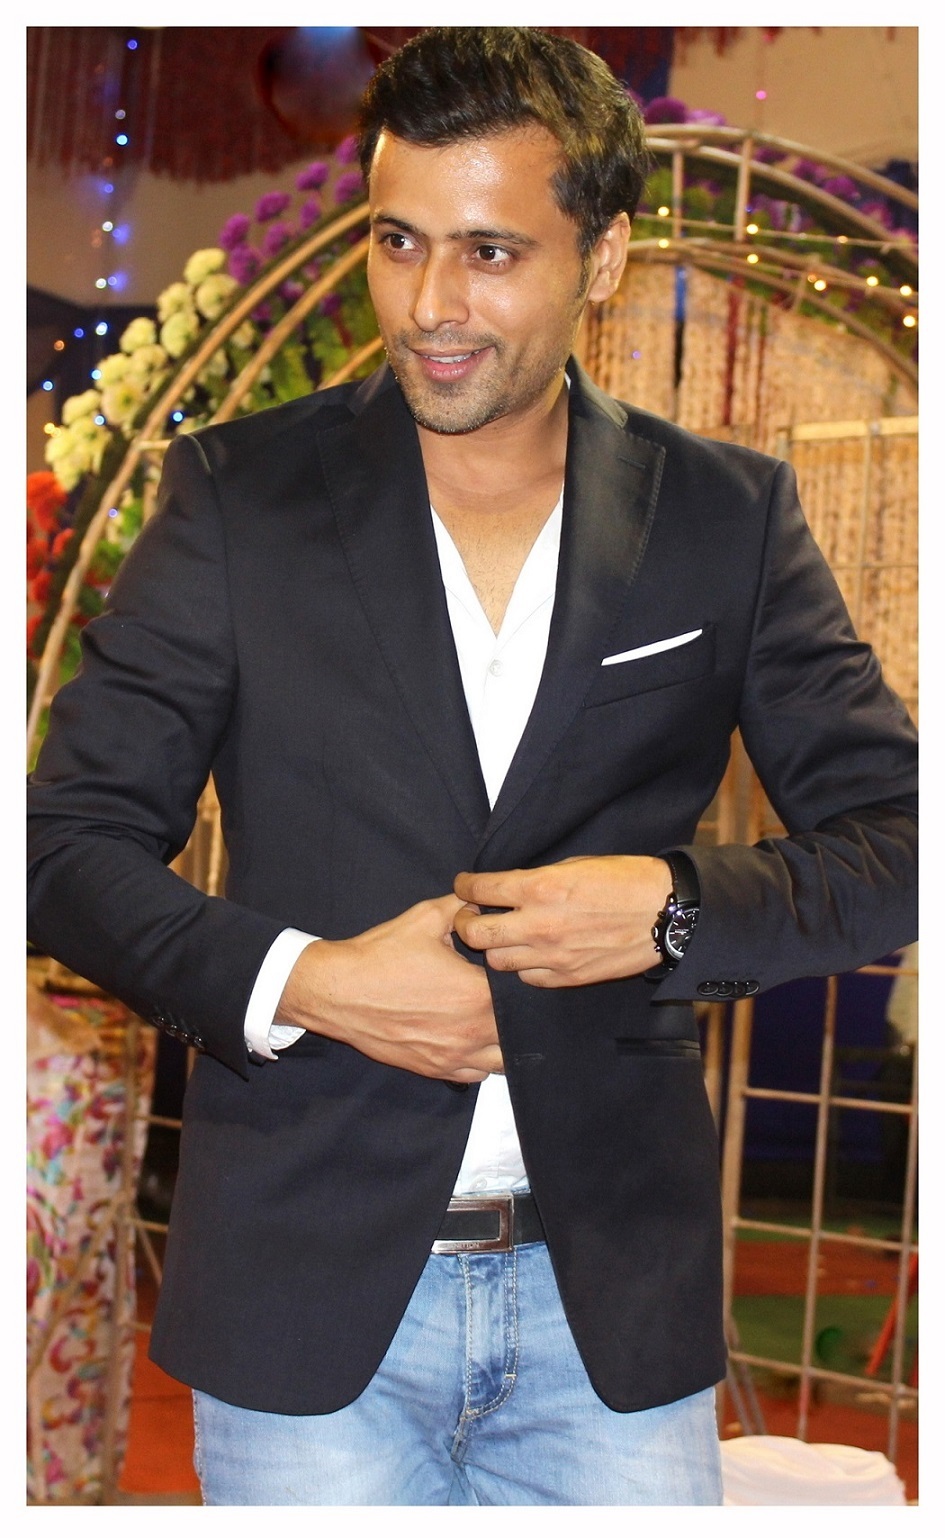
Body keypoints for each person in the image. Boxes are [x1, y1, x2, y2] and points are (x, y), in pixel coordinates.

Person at [27, 26, 918, 1506]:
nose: (431, 304)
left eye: (491, 251)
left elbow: (899, 838)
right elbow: (60, 845)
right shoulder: (239, 498)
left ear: (603, 256)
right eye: (398, 241)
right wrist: (309, 982)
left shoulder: (726, 517)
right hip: (303, 1304)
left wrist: (672, 907)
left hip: (609, 1312)